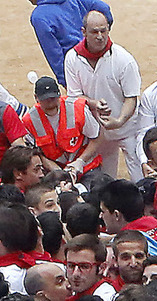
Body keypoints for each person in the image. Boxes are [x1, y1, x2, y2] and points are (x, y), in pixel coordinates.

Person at [64, 8, 141, 177]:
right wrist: (94, 103)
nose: (99, 36)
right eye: (94, 32)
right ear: (84, 32)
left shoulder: (124, 59)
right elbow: (74, 97)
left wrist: (119, 121)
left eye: (103, 31)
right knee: (106, 181)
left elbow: (131, 98)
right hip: (98, 133)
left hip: (128, 128)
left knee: (139, 177)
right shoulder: (72, 58)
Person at [22, 75, 102, 177]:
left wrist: (80, 161)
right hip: (53, 172)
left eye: (52, 97)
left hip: (86, 167)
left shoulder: (78, 109)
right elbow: (35, 153)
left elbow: (97, 136)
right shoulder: (29, 120)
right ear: (36, 98)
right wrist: (56, 170)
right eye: (45, 99)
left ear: (59, 95)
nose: (49, 101)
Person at [28, 0, 113, 89]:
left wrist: (66, 82)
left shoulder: (39, 16)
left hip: (77, 68)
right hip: (104, 54)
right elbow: (104, 9)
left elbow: (54, 54)